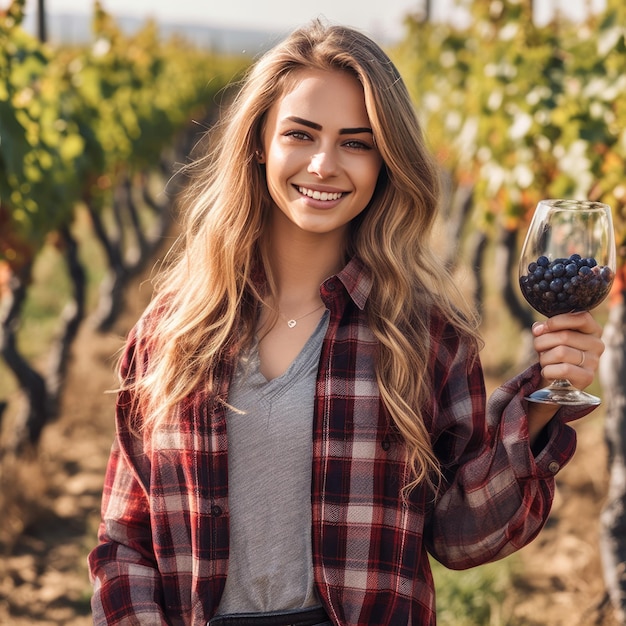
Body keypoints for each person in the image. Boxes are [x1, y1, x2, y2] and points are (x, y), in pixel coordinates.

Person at [88, 20, 606, 626]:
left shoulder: (424, 335)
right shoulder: (172, 331)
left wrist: (541, 405)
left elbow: (463, 537)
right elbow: (125, 541)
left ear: (387, 161)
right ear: (259, 143)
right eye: (300, 135)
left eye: (356, 143)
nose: (324, 164)